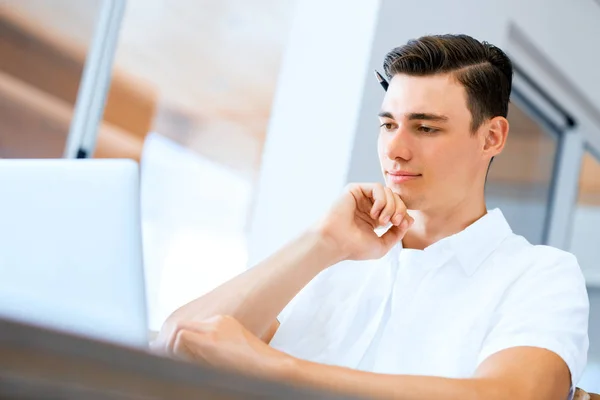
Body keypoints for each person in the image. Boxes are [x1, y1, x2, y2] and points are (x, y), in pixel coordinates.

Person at [152, 34, 589, 400]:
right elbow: (175, 349)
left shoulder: (539, 275)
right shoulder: (335, 257)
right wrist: (322, 241)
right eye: (387, 124)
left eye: (425, 127)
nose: (395, 149)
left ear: (491, 136)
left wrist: (273, 368)